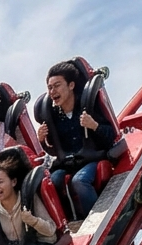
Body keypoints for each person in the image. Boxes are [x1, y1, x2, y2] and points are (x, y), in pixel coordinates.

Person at [37, 60, 116, 220]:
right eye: (50, 88)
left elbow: (111, 135)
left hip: (91, 159)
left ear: (71, 85)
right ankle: (68, 223)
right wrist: (43, 141)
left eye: (57, 85)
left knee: (79, 181)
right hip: (68, 164)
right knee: (51, 182)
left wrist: (94, 126)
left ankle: (96, 221)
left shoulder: (88, 106)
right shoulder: (54, 117)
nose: (53, 91)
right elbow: (55, 151)